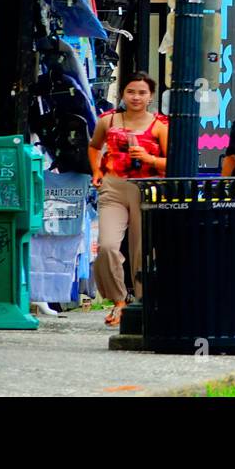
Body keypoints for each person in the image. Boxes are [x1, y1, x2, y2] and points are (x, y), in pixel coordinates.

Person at [88, 74, 168, 326]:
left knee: (141, 250)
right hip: (113, 186)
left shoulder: (160, 124)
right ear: (122, 93)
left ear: (151, 96)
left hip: (147, 188)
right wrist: (96, 171)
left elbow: (173, 160)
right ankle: (118, 300)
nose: (136, 97)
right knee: (107, 246)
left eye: (142, 92)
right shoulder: (108, 120)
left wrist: (149, 158)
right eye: (131, 91)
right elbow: (94, 146)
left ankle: (142, 304)